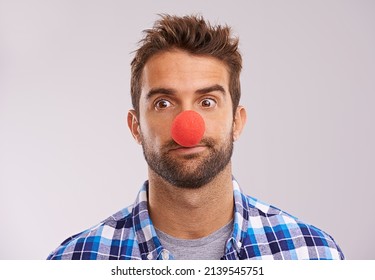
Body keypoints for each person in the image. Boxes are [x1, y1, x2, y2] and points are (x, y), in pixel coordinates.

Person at [47, 14, 344, 260]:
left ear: (236, 122)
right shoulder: (74, 261)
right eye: (163, 103)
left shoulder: (314, 254)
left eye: (207, 102)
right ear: (136, 127)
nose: (188, 126)